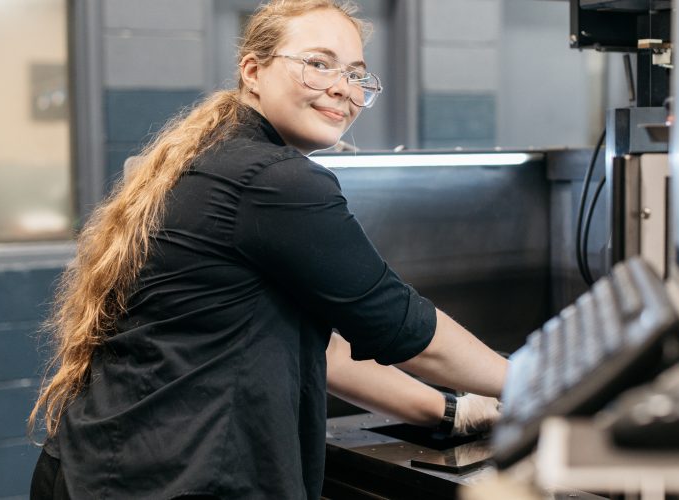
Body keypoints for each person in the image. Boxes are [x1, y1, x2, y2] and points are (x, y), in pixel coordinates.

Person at [29, 0, 509, 498]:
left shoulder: (215, 155)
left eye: (356, 74)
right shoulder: (273, 179)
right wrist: (531, 380)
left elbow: (329, 354)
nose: (342, 88)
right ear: (253, 71)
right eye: (318, 64)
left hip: (95, 468)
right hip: (164, 477)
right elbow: (399, 324)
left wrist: (452, 410)